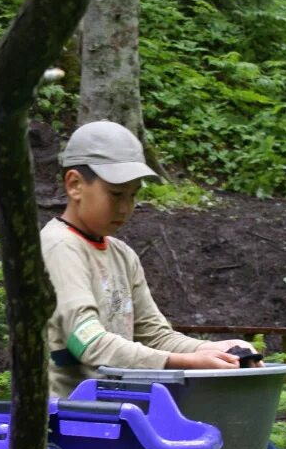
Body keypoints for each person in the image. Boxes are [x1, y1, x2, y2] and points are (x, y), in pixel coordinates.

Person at [42, 120, 256, 398]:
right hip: (71, 415)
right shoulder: (59, 246)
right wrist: (182, 362)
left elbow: (156, 336)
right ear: (75, 185)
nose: (125, 207)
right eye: (116, 194)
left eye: (133, 195)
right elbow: (88, 342)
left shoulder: (121, 254)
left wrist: (210, 350)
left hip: (124, 408)